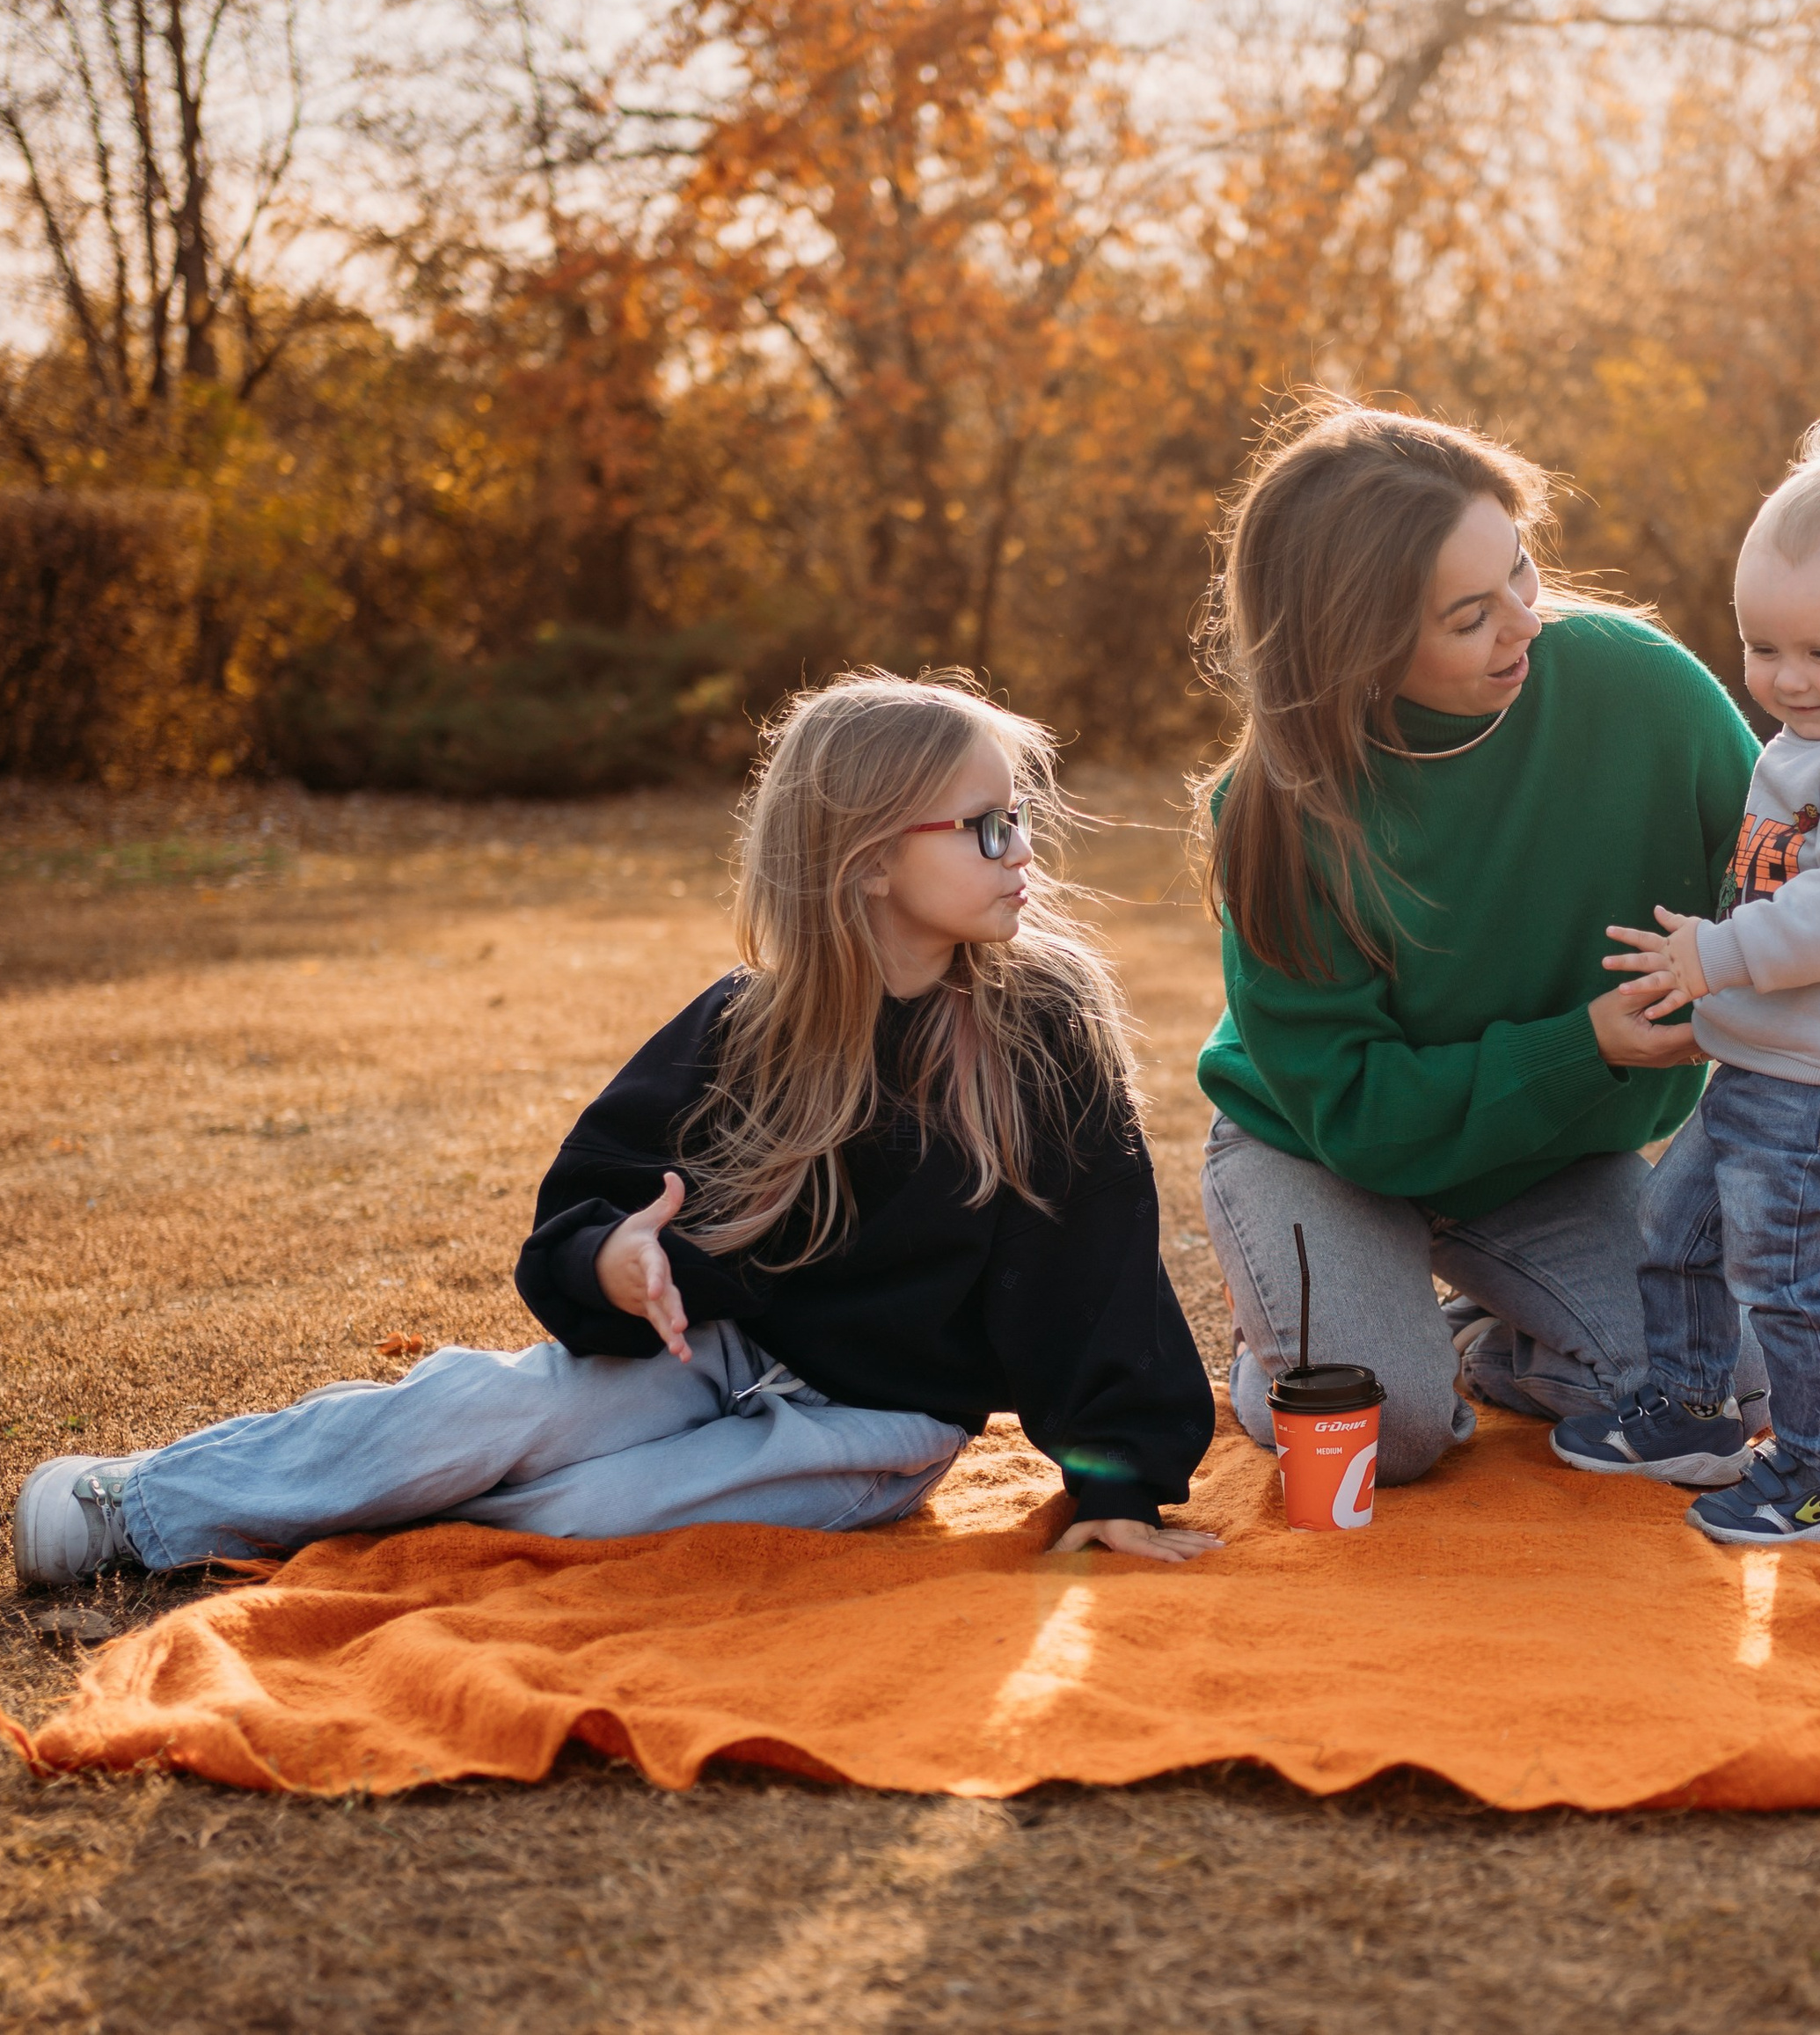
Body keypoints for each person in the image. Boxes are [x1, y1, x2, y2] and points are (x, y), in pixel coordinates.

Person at [16, 672, 1220, 1588]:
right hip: (711, 1351)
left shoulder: (1041, 1029)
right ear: (864, 862)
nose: (1023, 853)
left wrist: (1118, 1483)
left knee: (592, 1513)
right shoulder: (750, 1024)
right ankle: (138, 1503)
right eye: (986, 826)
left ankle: (354, 1501)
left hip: (879, 1425)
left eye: (1020, 819)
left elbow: (1097, 1276)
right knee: (483, 1413)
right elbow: (591, 1198)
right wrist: (612, 1260)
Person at [1195, 399, 1820, 1487]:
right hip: (1322, 1150)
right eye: (1471, 616)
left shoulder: (1637, 684)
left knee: (1730, 1391)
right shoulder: (1278, 809)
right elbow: (1355, 1111)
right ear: (1362, 647)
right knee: (1385, 1427)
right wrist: (1589, 1045)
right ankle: (1299, 1331)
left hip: (1542, 1155)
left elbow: (1818, 870)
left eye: (1518, 570)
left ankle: (1493, 1338)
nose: (1526, 622)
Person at [1555, 402, 1820, 1544]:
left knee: (1789, 1281)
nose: (1786, 679)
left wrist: (1714, 954)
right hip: (1765, 1065)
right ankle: (1694, 1411)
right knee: (1676, 1231)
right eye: (1762, 647)